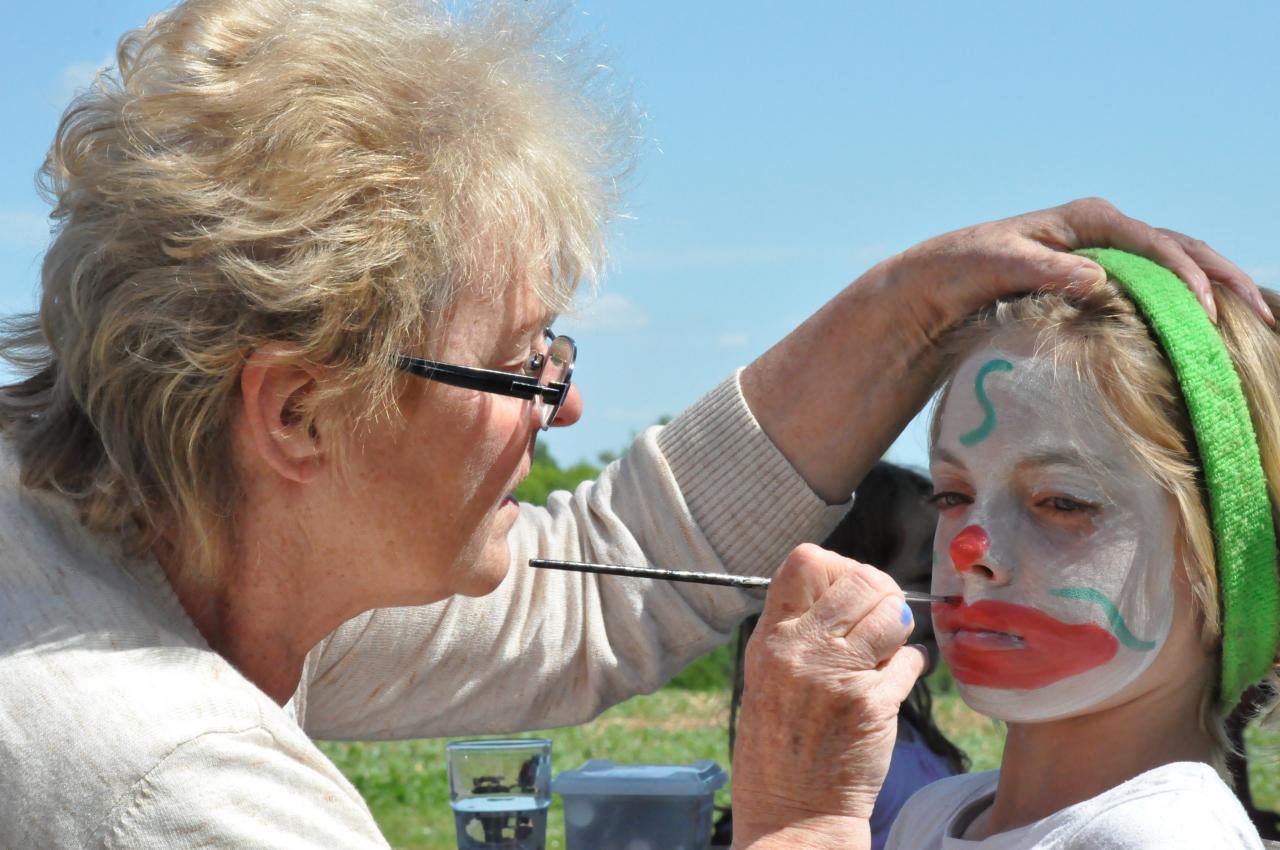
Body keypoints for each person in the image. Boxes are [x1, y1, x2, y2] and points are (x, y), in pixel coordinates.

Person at [0, 0, 1267, 846]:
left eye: (1061, 501)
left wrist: (907, 311)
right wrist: (795, 826)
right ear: (299, 413)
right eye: (516, 364)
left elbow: (604, 579)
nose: (566, 403)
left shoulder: (137, 551)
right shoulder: (163, 788)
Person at [874, 252, 1277, 848]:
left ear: (1227, 565)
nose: (969, 551)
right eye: (953, 495)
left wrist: (802, 817)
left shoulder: (1157, 837)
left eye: (1062, 502)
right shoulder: (934, 811)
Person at [720, 461, 966, 849]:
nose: (949, 601)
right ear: (839, 592)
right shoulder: (827, 748)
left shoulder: (899, 726)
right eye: (925, 580)